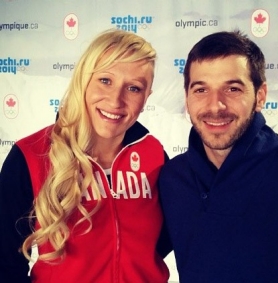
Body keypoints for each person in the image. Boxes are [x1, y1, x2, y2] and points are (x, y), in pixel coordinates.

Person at [158, 30, 278, 283]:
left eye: (233, 89)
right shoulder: (172, 179)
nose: (215, 105)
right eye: (201, 90)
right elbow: (130, 253)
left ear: (260, 96)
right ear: (187, 98)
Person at [0, 29, 171, 282]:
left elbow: (163, 241)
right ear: (83, 80)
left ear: (147, 97)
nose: (115, 100)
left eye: (133, 88)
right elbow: (5, 264)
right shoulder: (31, 155)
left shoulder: (154, 154)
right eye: (105, 80)